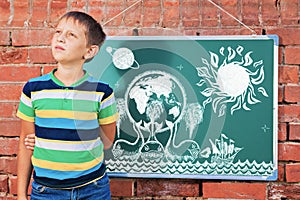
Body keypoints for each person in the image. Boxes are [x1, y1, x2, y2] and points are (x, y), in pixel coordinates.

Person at [17, 11, 118, 200]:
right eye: (58, 32)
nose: (61, 38)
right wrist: (21, 195)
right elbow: (26, 143)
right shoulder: (33, 89)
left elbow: (107, 140)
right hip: (46, 191)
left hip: (93, 188)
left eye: (71, 35)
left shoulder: (102, 93)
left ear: (89, 51)